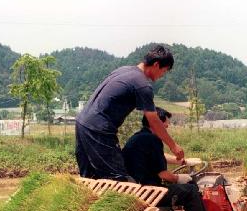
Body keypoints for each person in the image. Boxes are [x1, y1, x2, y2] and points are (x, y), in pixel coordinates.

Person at [75, 45, 185, 181]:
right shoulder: (142, 85)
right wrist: (173, 146)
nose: (162, 75)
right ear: (156, 65)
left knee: (90, 177)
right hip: (99, 128)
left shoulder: (123, 70)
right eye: (164, 71)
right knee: (119, 179)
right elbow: (154, 120)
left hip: (82, 122)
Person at [122, 108, 225, 211]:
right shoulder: (153, 140)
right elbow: (163, 174)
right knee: (191, 190)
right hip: (150, 191)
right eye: (165, 124)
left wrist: (182, 161)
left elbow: (158, 157)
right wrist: (179, 178)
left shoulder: (138, 138)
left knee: (175, 190)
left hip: (138, 189)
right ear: (156, 123)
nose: (167, 127)